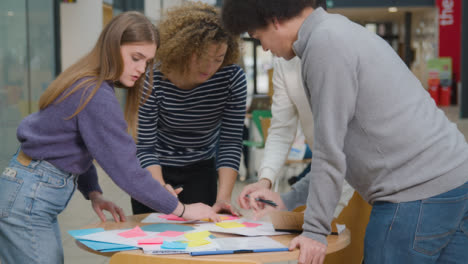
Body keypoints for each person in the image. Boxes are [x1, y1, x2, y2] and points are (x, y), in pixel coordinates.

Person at [222, 1, 468, 264]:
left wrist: (315, 231)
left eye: (259, 38)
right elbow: (342, 152)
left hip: (415, 194)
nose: (266, 48)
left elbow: (330, 151)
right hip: (455, 180)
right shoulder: (339, 30)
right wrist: (287, 200)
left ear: (274, 20)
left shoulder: (324, 45)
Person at [0, 11, 220, 264]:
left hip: (26, 190)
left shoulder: (87, 80)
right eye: (136, 58)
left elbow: (73, 146)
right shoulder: (95, 93)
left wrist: (93, 192)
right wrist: (183, 209)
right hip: (29, 197)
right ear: (112, 47)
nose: (141, 69)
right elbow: (126, 170)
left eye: (147, 62)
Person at [132, 2, 247, 216]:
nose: (209, 67)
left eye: (218, 59)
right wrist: (160, 191)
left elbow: (230, 141)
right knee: (151, 241)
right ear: (183, 49)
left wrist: (223, 198)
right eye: (202, 57)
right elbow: (146, 147)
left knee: (200, 240)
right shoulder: (152, 78)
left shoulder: (231, 78)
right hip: (153, 170)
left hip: (201, 169)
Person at [238, 56, 354, 219]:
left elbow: (346, 161)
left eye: (261, 36)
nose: (264, 48)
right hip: (335, 176)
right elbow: (281, 131)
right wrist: (267, 181)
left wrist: (316, 224)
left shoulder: (331, 56)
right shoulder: (282, 61)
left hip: (377, 187)